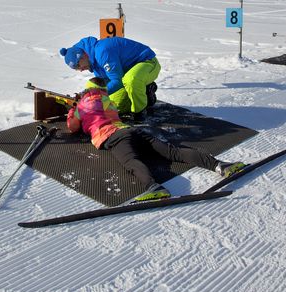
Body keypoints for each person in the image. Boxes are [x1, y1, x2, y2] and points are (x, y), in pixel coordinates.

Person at [67, 78, 246, 202]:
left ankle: (154, 188)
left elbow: (73, 127)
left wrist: (72, 109)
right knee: (173, 152)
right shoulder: (108, 100)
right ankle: (221, 166)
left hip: (112, 137)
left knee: (131, 161)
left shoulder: (81, 106)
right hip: (130, 131)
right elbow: (102, 109)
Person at [60, 36, 160, 120]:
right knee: (115, 106)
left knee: (131, 80)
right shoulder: (92, 60)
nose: (80, 70)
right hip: (126, 73)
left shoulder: (102, 52)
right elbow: (105, 81)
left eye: (78, 66)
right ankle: (146, 91)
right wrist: (88, 93)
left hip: (147, 63)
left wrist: (99, 93)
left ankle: (140, 112)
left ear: (82, 56)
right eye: (76, 69)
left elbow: (117, 81)